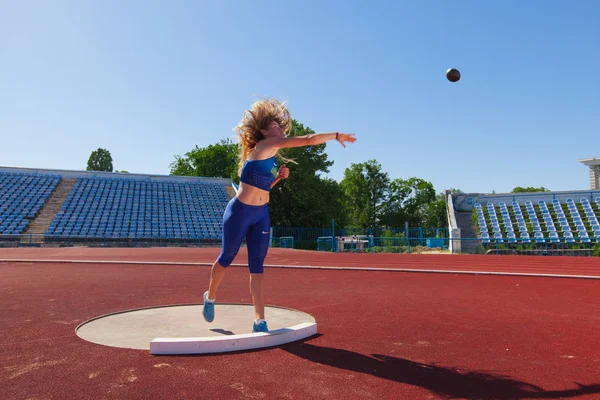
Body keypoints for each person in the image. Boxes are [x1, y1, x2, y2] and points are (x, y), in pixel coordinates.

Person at [202, 98, 357, 333]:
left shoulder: (271, 158)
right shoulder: (263, 147)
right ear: (264, 131)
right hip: (239, 213)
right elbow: (307, 140)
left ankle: (259, 320)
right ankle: (210, 296)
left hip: (261, 215)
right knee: (227, 256)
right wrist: (336, 135)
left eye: (280, 127)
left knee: (257, 266)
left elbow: (263, 188)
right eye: (275, 127)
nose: (280, 130)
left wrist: (277, 179)